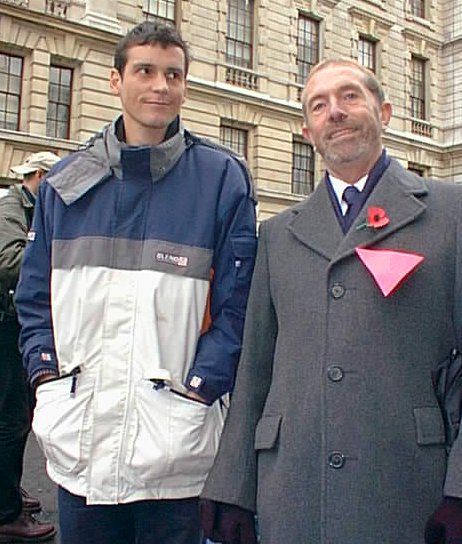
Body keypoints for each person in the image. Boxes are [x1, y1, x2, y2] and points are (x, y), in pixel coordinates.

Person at [200, 58, 462, 544]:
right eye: (319, 106)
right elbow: (256, 366)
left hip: (410, 489)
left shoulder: (450, 214)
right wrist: (233, 485)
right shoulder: (278, 234)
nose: (334, 112)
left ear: (383, 113)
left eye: (349, 97)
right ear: (307, 131)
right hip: (294, 490)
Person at [14, 21, 257, 544]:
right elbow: (34, 301)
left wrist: (198, 391)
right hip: (79, 440)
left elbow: (239, 309)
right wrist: (46, 379)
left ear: (186, 85)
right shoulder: (65, 181)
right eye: (144, 70)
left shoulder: (222, 178)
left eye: (174, 74)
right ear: (114, 80)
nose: (160, 86)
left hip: (175, 446)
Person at [0, 151, 60, 542]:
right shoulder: (11, 208)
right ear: (38, 176)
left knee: (15, 416)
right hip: (5, 326)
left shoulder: (26, 208)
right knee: (11, 419)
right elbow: (8, 261)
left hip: (13, 323)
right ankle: (6, 513)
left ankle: (7, 493)